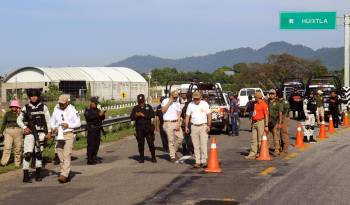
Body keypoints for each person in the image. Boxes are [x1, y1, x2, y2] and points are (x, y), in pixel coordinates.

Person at [17, 89, 51, 183]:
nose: (34, 97)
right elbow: (19, 120)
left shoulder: (44, 107)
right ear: (29, 97)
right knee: (27, 154)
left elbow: (48, 120)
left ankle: (38, 174)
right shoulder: (25, 108)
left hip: (41, 133)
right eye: (32, 96)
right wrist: (24, 127)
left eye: (35, 95)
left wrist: (49, 132)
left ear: (38, 96)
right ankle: (26, 176)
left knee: (38, 154)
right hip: (30, 134)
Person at [50, 94, 81, 183]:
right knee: (59, 153)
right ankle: (64, 171)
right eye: (60, 103)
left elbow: (78, 123)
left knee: (67, 154)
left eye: (63, 103)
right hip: (59, 135)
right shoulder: (56, 110)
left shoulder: (72, 110)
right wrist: (54, 127)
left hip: (68, 134)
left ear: (67, 102)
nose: (61, 105)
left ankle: (64, 174)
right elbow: (52, 121)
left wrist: (68, 125)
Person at [185, 91, 211, 168]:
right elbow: (187, 116)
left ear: (200, 98)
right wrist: (186, 126)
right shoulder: (190, 105)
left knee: (203, 144)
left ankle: (204, 161)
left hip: (203, 126)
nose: (196, 100)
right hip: (194, 126)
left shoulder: (205, 104)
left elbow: (209, 115)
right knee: (195, 145)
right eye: (195, 99)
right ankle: (197, 161)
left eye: (198, 99)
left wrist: (209, 125)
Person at [130, 94, 156, 163]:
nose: (141, 103)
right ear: (138, 101)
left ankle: (153, 157)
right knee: (141, 144)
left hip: (148, 128)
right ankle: (141, 158)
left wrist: (143, 115)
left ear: (144, 101)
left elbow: (153, 115)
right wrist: (136, 115)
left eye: (142, 102)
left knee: (151, 143)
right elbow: (131, 117)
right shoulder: (135, 108)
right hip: (139, 129)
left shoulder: (148, 107)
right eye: (140, 102)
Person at [245, 91, 269, 160]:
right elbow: (254, 114)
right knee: (253, 139)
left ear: (258, 97)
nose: (254, 98)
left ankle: (260, 152)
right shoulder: (255, 104)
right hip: (255, 122)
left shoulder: (264, 104)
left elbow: (266, 115)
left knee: (260, 139)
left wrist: (266, 125)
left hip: (261, 122)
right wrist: (252, 123)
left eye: (255, 97)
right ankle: (252, 153)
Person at [161, 90, 184, 162]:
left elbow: (179, 114)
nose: (175, 99)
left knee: (181, 138)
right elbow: (163, 110)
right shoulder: (165, 101)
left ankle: (173, 151)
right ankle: (172, 156)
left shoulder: (177, 103)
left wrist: (179, 123)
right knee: (171, 140)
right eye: (174, 97)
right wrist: (169, 103)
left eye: (176, 97)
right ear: (171, 96)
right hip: (168, 122)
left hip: (176, 122)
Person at [0, 100, 23, 167]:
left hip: (18, 131)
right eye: (13, 106)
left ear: (17, 107)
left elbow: (23, 121)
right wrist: (1, 132)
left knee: (18, 148)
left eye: (15, 106)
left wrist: (19, 113)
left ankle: (17, 163)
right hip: (8, 131)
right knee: (7, 147)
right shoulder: (7, 113)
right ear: (11, 107)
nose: (14, 108)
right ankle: (3, 162)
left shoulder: (20, 114)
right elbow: (4, 123)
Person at [84, 97, 106, 165]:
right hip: (91, 129)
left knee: (97, 144)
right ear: (91, 103)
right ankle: (90, 159)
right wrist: (98, 115)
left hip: (97, 129)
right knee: (91, 144)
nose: (96, 105)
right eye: (95, 103)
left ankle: (94, 157)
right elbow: (89, 117)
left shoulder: (98, 110)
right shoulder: (88, 110)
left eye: (96, 103)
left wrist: (103, 115)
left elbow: (101, 118)